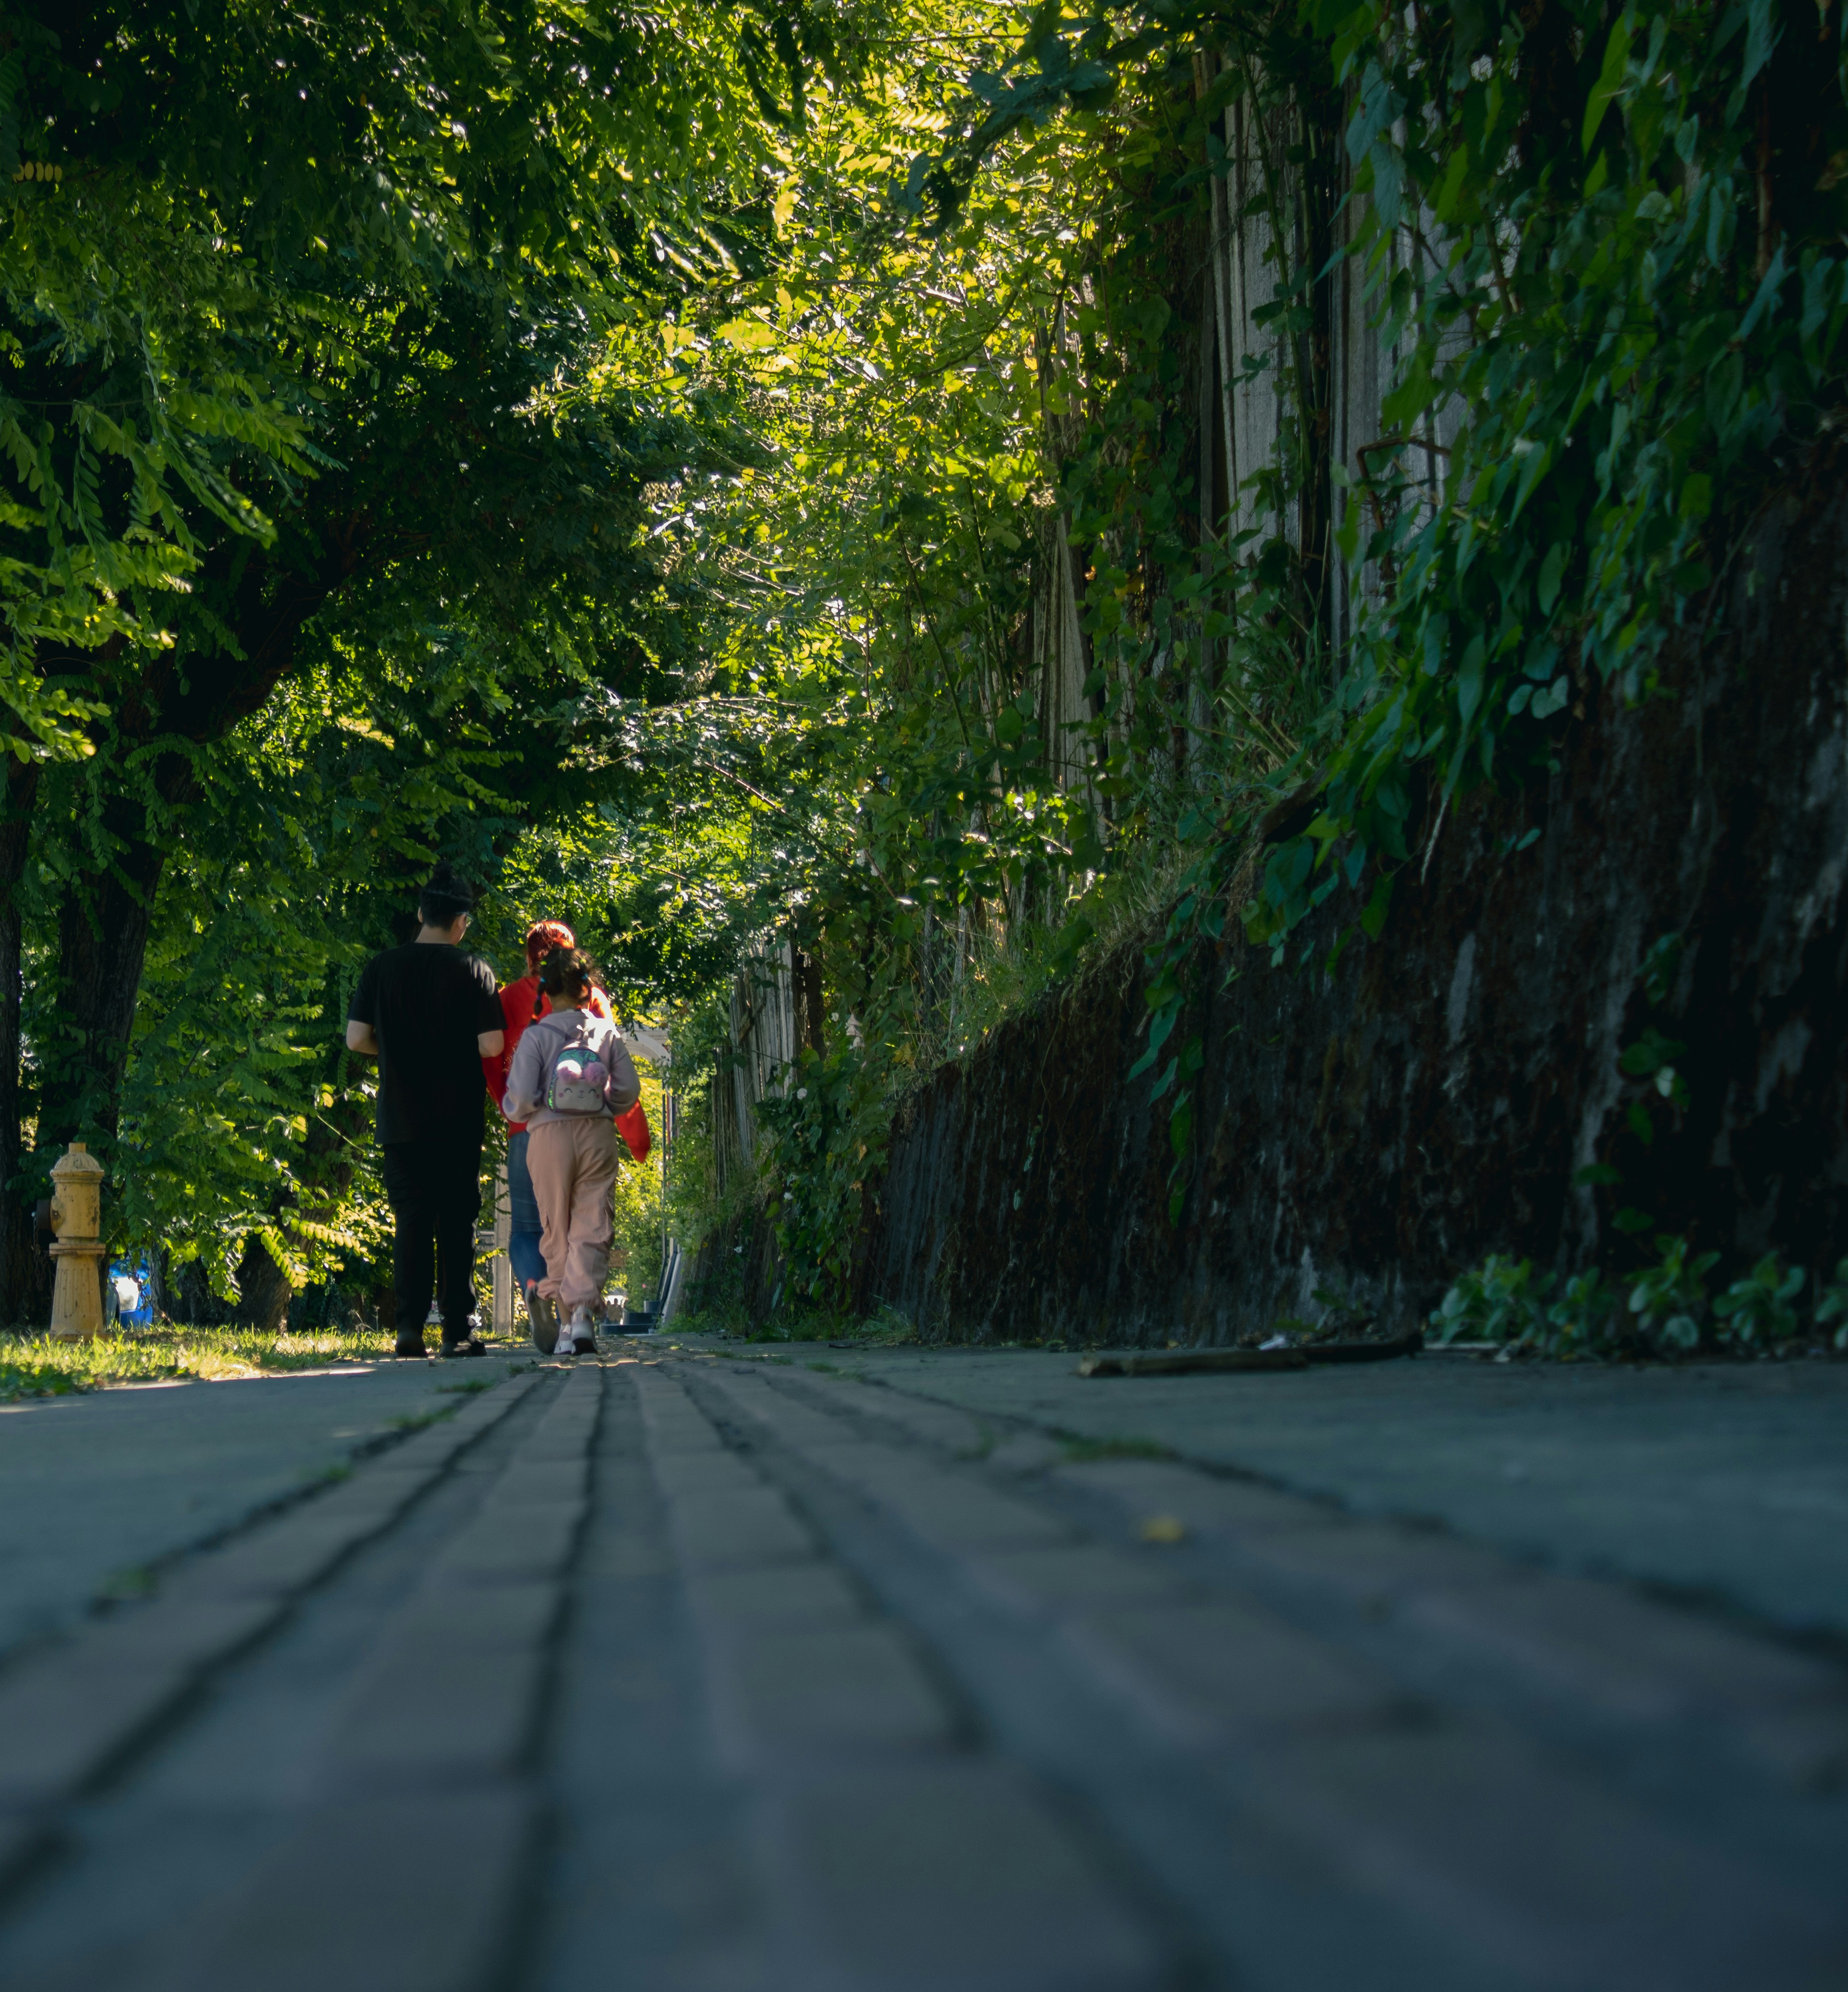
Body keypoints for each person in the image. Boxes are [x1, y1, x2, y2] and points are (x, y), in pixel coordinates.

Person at [346, 865, 505, 1359]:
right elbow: (492, 1042)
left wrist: (393, 1051)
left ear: (420, 913)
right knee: (456, 1222)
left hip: (401, 1117)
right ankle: (457, 1329)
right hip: (457, 1120)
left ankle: (409, 1327)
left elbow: (356, 1039)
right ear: (460, 922)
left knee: (411, 1219)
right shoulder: (475, 970)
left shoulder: (381, 967)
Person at [501, 946, 640, 1356]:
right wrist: (605, 1109)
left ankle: (565, 1326)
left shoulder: (536, 1035)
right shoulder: (606, 1033)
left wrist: (520, 1110)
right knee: (592, 1223)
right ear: (587, 987)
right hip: (596, 1135)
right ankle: (582, 1317)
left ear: (546, 991)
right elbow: (629, 1090)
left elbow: (522, 1094)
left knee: (554, 1227)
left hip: (548, 1139)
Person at [482, 919, 616, 1329]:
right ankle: (578, 1317)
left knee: (527, 1228)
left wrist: (512, 1113)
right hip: (590, 1129)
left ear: (528, 957)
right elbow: (611, 1057)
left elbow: (491, 1064)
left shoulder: (505, 999)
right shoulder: (592, 999)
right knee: (584, 1224)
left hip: (530, 1131)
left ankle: (535, 1285)